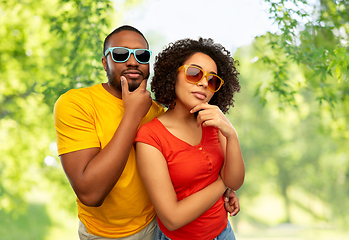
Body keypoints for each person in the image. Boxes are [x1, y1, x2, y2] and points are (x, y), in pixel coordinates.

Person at [54, 25, 240, 240]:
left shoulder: (159, 113)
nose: (133, 61)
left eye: (141, 55)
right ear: (105, 62)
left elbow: (184, 170)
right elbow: (91, 194)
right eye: (121, 54)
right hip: (107, 235)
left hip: (157, 228)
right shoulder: (76, 103)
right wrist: (132, 115)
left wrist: (225, 191)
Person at [135, 37, 245, 240]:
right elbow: (172, 218)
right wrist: (223, 183)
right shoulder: (150, 137)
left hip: (224, 233)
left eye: (212, 80)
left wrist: (232, 134)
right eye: (194, 73)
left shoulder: (215, 122)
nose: (204, 83)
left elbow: (236, 181)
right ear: (172, 75)